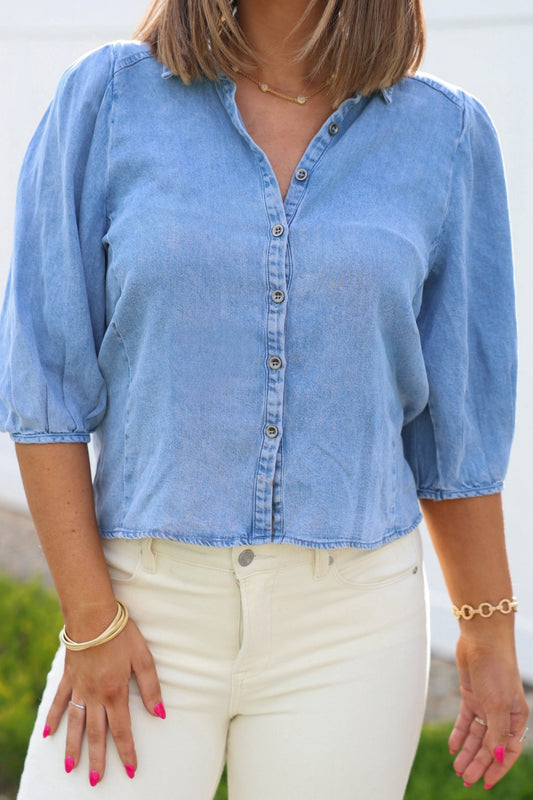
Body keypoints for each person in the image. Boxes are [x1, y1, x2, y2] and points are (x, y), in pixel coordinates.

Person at [0, 0, 529, 797]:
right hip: (142, 609)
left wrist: (488, 639)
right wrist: (90, 618)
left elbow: (454, 430)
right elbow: (42, 377)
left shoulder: (445, 137)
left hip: (351, 629)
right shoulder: (107, 100)